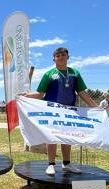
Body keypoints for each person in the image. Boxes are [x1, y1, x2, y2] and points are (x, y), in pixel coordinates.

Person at [22, 47, 97, 175]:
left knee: (67, 138)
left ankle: (66, 163)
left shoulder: (75, 73)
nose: (61, 57)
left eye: (63, 54)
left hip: (69, 111)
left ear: (68, 57)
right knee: (52, 137)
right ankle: (51, 164)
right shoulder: (49, 74)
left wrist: (95, 107)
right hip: (52, 110)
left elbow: (82, 92)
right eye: (58, 55)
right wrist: (26, 96)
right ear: (54, 59)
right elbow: (40, 93)